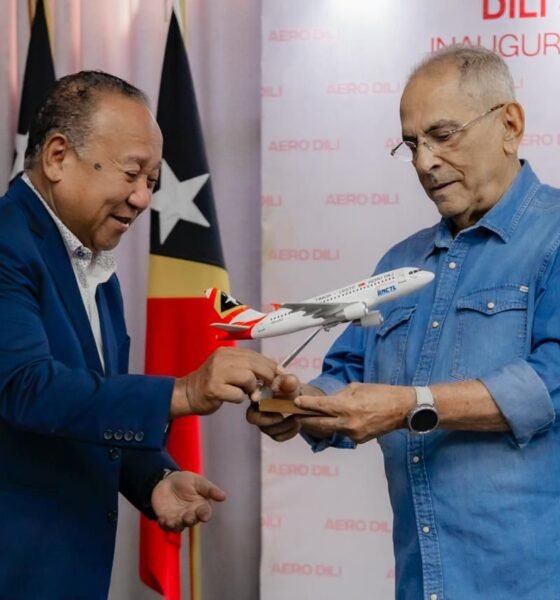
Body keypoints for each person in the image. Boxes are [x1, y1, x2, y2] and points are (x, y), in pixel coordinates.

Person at [248, 45, 560, 599]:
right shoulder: (399, 263)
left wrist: (407, 407)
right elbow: (347, 374)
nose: (424, 162)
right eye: (412, 144)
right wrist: (297, 405)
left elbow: (551, 382)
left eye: (443, 135)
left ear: (510, 125)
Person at [0, 71, 279, 599]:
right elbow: (25, 387)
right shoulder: (7, 243)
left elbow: (87, 406)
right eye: (132, 174)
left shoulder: (92, 260)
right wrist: (185, 391)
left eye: (151, 181)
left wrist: (153, 480)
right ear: (58, 157)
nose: (143, 198)